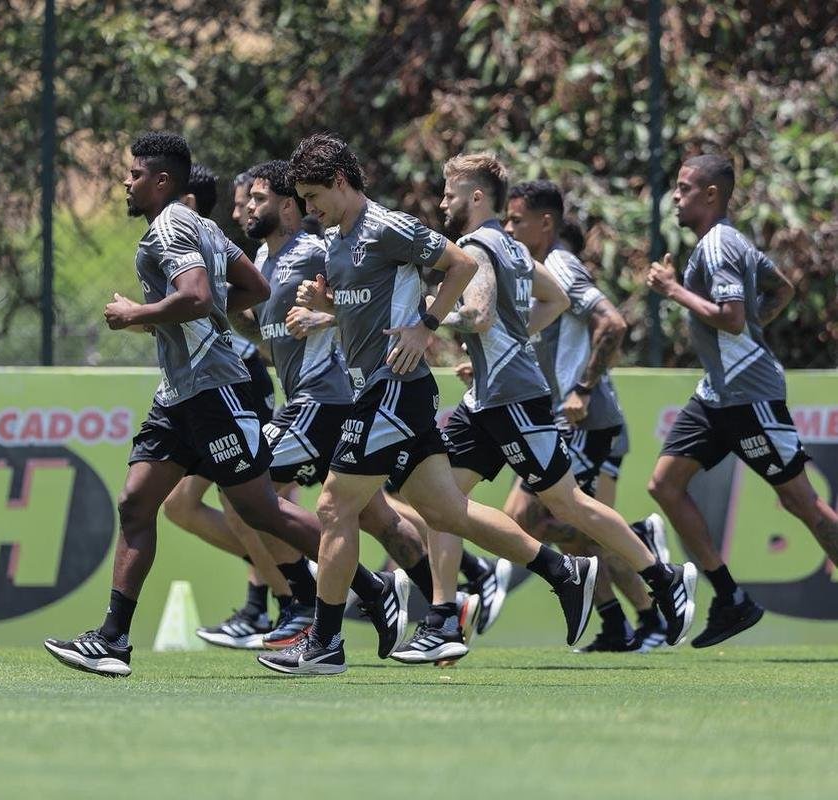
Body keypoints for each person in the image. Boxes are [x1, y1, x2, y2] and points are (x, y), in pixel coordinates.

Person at [45, 132, 406, 677]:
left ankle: (369, 587)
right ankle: (113, 639)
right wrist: (202, 317)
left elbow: (196, 296)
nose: (126, 181)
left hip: (214, 390)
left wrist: (133, 315)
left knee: (261, 509)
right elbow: (255, 287)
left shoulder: (170, 227)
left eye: (135, 174)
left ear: (162, 180)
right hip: (179, 395)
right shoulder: (204, 226)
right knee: (137, 504)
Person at [257, 134, 601, 676]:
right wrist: (326, 311)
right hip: (383, 389)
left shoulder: (385, 226)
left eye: (313, 194)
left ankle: (325, 642)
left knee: (333, 507)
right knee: (447, 512)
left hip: (393, 387)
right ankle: (564, 572)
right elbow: (369, 312)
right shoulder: (337, 240)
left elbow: (460, 263)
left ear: (342, 183)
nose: (307, 207)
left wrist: (428, 324)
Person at [422, 153, 697, 658]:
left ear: (476, 197)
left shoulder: (477, 246)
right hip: (486, 399)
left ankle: (664, 577)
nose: (442, 202)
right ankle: (442, 618)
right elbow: (554, 302)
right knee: (441, 501)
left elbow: (479, 314)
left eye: (448, 193)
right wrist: (511, 338)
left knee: (564, 504)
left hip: (513, 398)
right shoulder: (511, 245)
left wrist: (427, 317)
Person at [225, 159, 438, 649]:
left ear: (287, 206)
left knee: (248, 487)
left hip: (326, 397)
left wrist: (325, 318)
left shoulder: (315, 250)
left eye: (257, 200)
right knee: (377, 517)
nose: (247, 210)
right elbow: (261, 327)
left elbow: (359, 299)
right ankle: (443, 601)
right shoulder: (263, 261)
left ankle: (307, 602)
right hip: (310, 399)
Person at [639, 152, 834, 648]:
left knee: (799, 502)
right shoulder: (725, 242)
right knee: (664, 485)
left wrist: (673, 290)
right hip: (717, 393)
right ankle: (731, 599)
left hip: (749, 392)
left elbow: (730, 317)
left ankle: (729, 599)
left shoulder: (720, 245)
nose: (675, 197)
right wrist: (753, 329)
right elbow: (781, 289)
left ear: (711, 195)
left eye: (684, 188)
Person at [502, 179, 666, 652]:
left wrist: (584, 390)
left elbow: (612, 323)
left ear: (546, 222)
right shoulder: (533, 273)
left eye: (516, 221)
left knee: (532, 518)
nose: (508, 229)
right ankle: (623, 619)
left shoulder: (559, 265)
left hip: (584, 421)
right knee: (562, 529)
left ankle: (637, 552)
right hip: (559, 418)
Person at [168, 162, 299, 649]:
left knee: (252, 499)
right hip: (204, 385)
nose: (242, 208)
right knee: (187, 505)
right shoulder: (236, 249)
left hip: (237, 383)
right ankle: (277, 596)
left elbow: (224, 309)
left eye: (252, 200)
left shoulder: (208, 246)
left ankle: (293, 598)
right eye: (241, 201)